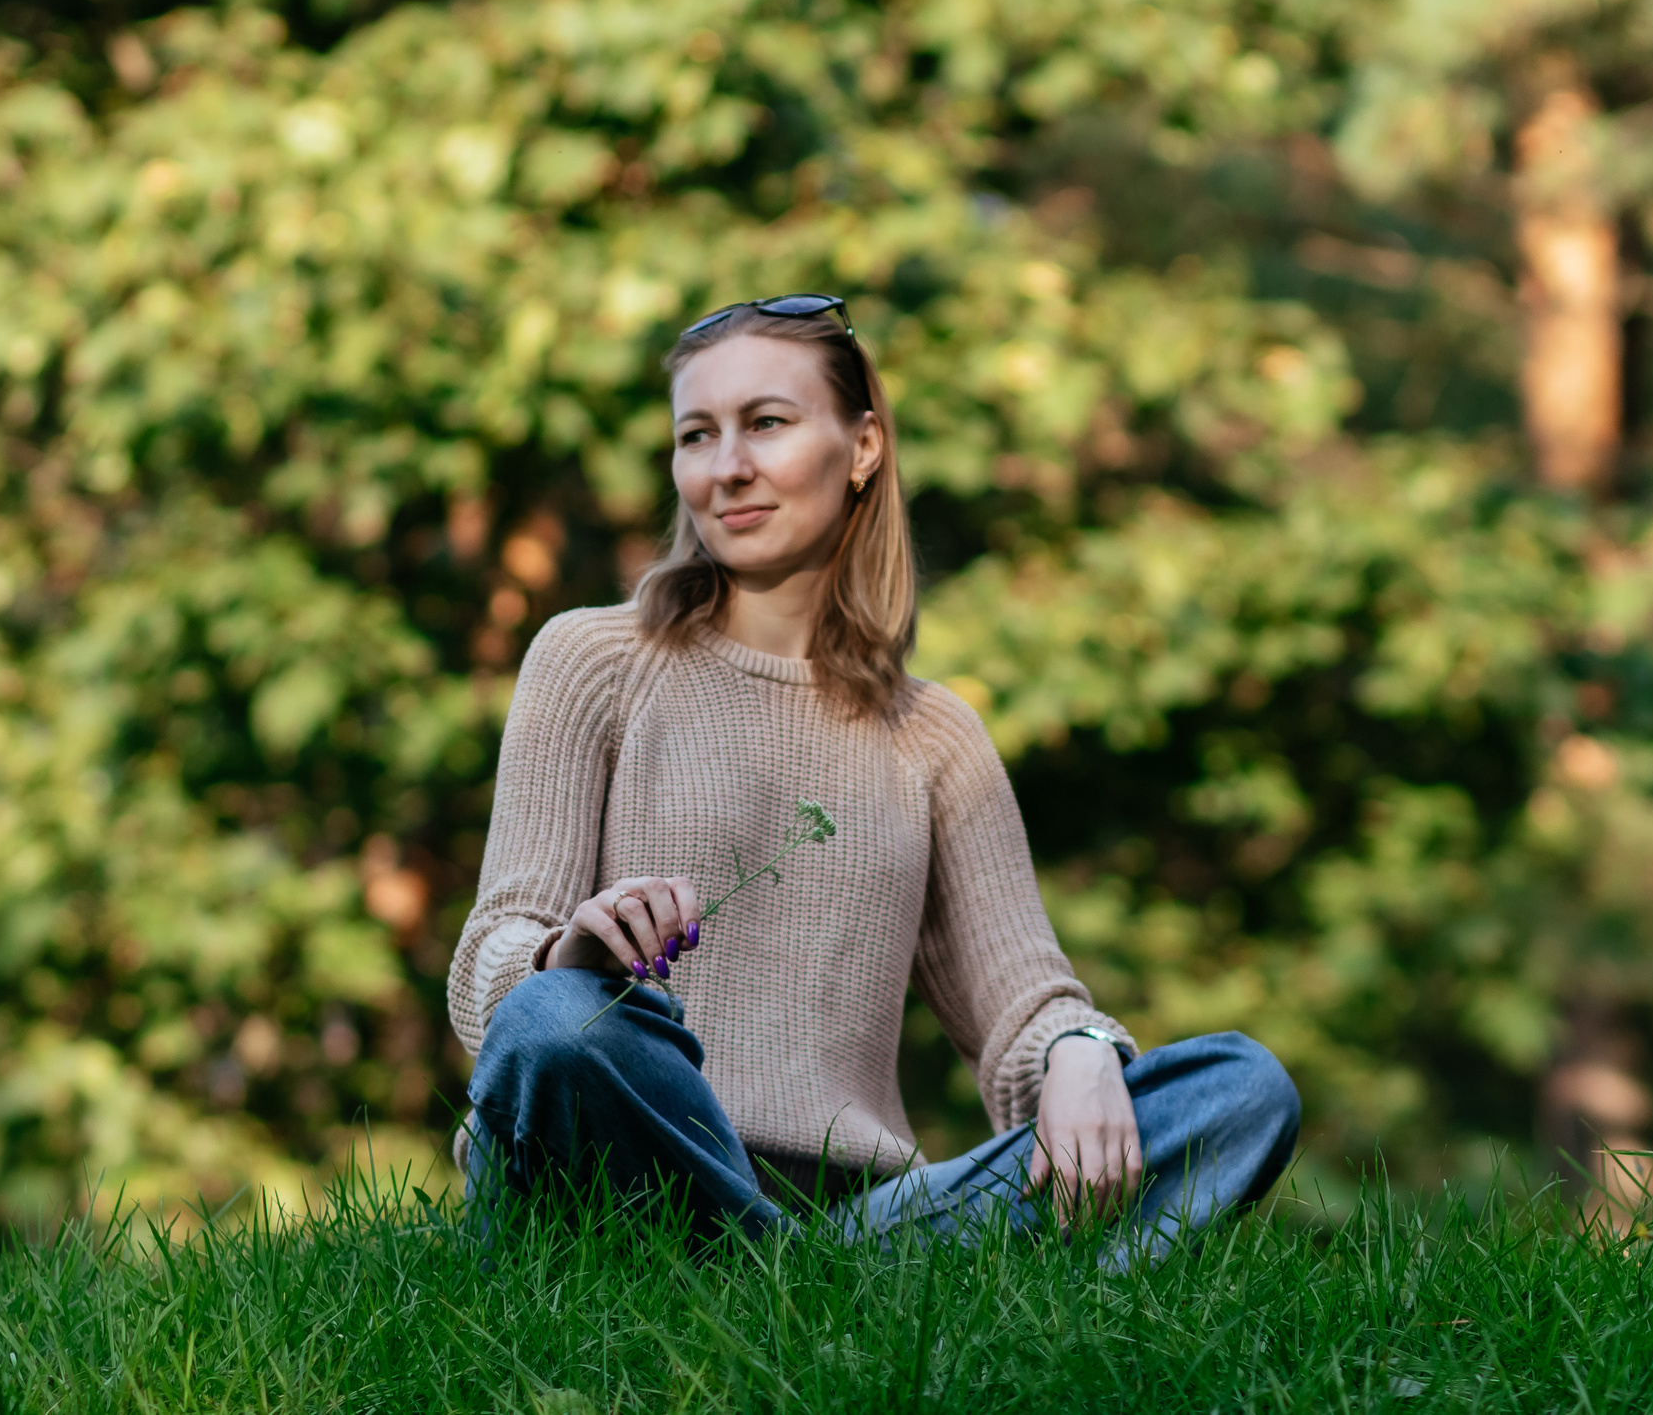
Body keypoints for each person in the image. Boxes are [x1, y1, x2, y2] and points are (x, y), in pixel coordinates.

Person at [446, 293, 1298, 1257]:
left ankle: (757, 1276)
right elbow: (491, 972)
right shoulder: (591, 659)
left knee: (1238, 1089)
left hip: (850, 1222)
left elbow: (1026, 1017)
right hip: (606, 1183)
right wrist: (570, 953)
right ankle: (782, 1286)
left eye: (766, 423)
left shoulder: (935, 736)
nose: (728, 468)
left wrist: (1083, 1050)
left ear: (861, 448)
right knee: (562, 1020)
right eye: (697, 435)